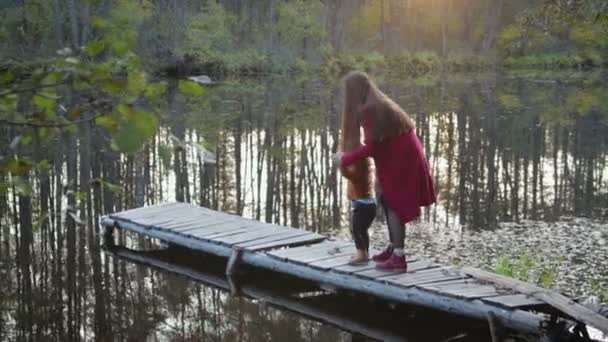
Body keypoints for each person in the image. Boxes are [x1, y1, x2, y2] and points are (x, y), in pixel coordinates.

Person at [333, 71, 436, 272]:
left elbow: (373, 147)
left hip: (402, 157)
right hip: (402, 152)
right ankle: (392, 248)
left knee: (393, 203)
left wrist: (345, 159)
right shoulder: (375, 102)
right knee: (385, 198)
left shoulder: (371, 109)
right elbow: (379, 143)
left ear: (354, 92)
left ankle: (399, 258)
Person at [338, 85, 376, 265]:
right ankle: (363, 253)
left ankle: (362, 254)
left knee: (358, 229)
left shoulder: (361, 164)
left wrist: (341, 165)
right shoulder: (359, 158)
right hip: (362, 204)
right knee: (359, 230)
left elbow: (352, 176)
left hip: (364, 205)